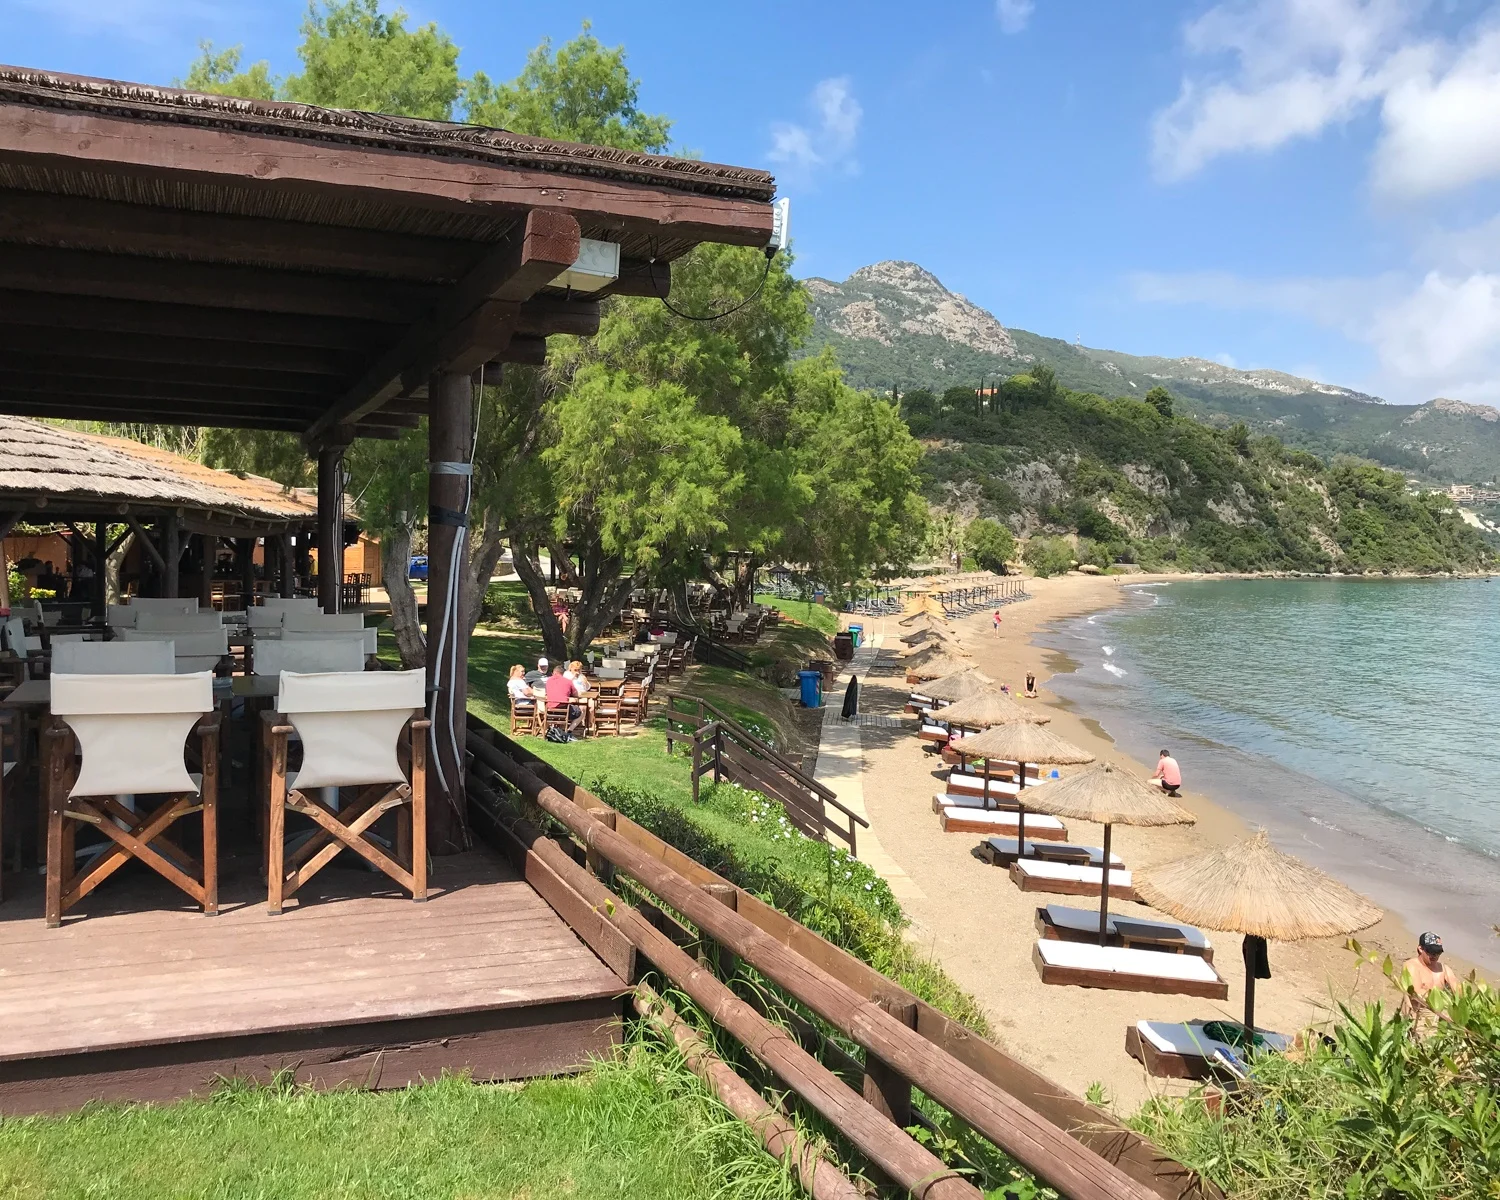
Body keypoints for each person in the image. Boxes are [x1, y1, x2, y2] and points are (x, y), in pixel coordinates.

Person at [1401, 932, 1460, 1023]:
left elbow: (1459, 992)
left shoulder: (1444, 969)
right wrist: (1444, 1001)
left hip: (1438, 1016)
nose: (1435, 955)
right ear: (1420, 949)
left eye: (1438, 952)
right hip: (1417, 1017)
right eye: (1431, 952)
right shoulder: (1411, 966)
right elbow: (1416, 994)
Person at [544, 664, 585, 738]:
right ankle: (569, 730)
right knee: (582, 710)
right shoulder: (568, 681)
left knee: (564, 706)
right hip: (563, 709)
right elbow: (576, 694)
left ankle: (555, 729)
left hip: (549, 709)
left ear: (554, 672)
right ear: (562, 673)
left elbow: (547, 693)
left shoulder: (548, 681)